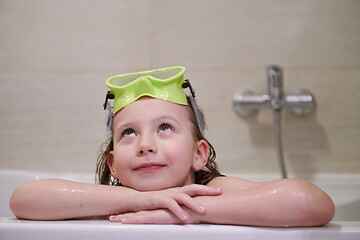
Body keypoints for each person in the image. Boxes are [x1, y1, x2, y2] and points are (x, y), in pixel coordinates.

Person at [9, 66, 334, 226]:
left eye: (165, 127)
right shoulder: (112, 198)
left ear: (199, 153)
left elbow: (310, 202)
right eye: (128, 133)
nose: (145, 145)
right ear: (112, 164)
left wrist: (184, 213)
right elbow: (22, 200)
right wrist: (140, 199)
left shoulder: (211, 189)